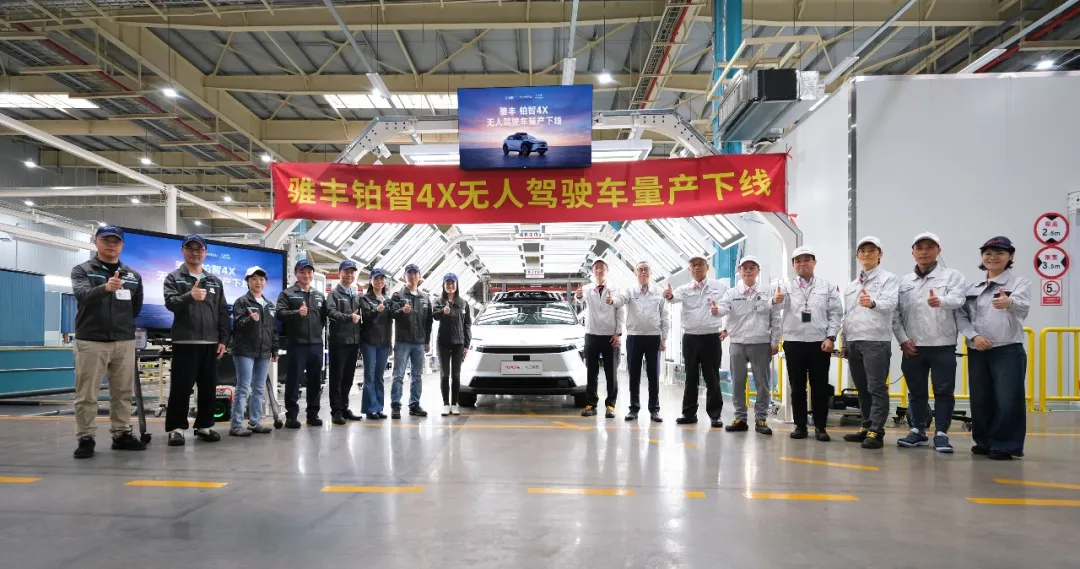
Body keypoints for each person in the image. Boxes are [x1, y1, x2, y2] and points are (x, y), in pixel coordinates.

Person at [69, 225, 146, 459]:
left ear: (122, 245)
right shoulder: (82, 270)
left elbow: (135, 307)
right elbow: (82, 295)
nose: (111, 245)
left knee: (123, 392)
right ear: (96, 242)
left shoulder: (132, 275)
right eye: (106, 240)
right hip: (91, 340)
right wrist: (105, 288)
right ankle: (86, 438)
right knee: (87, 394)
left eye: (116, 241)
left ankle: (121, 433)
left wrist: (123, 328)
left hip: (123, 341)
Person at [956, 236, 1031, 460]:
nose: (993, 257)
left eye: (999, 253)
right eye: (988, 253)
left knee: (1008, 399)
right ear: (982, 257)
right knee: (980, 398)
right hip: (978, 349)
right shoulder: (973, 287)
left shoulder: (1019, 284)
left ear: (1010, 257)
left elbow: (1024, 305)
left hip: (1007, 349)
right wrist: (974, 336)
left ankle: (1006, 444)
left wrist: (1010, 303)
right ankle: (984, 440)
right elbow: (961, 316)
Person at [892, 232, 966, 453]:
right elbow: (895, 316)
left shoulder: (952, 276)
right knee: (916, 392)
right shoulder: (904, 282)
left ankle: (942, 432)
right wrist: (903, 340)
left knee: (944, 390)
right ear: (913, 252)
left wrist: (940, 301)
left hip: (942, 344)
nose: (924, 251)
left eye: (929, 247)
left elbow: (959, 299)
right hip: (913, 346)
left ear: (938, 250)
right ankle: (918, 430)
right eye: (919, 248)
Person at [163, 234, 230, 447]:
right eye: (190, 248)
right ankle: (176, 428)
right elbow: (171, 303)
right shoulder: (174, 278)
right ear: (183, 250)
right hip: (185, 342)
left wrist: (223, 339)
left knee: (209, 387)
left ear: (205, 253)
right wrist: (189, 296)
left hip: (210, 343)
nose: (195, 253)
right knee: (181, 388)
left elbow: (222, 312)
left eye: (199, 249)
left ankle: (204, 426)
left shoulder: (215, 282)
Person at [774, 246, 842, 441]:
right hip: (794, 342)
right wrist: (775, 300)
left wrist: (830, 337)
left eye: (806, 260)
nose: (801, 264)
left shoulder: (826, 286)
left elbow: (836, 313)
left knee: (819, 387)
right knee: (797, 387)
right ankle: (800, 426)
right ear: (793, 265)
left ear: (814, 262)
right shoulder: (785, 287)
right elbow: (774, 307)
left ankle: (821, 427)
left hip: (819, 343)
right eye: (797, 261)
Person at [839, 236, 900, 450]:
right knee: (862, 388)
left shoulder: (888, 279)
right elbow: (847, 316)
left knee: (876, 387)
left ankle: (877, 430)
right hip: (854, 340)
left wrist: (873, 303)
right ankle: (866, 425)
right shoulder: (851, 286)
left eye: (871, 250)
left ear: (880, 254)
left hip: (875, 340)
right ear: (857, 256)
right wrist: (845, 342)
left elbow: (891, 303)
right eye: (862, 251)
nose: (866, 254)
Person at [717, 256, 781, 435]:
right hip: (737, 343)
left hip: (760, 343)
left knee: (762, 383)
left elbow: (775, 318)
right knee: (737, 382)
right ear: (739, 271)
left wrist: (775, 341)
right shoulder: (731, 293)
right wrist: (721, 324)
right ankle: (740, 418)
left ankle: (761, 418)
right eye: (744, 268)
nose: (748, 271)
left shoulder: (768, 291)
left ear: (758, 271)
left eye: (752, 267)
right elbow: (724, 311)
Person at [664, 255, 727, 428]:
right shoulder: (684, 289)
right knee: (690, 377)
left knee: (712, 377)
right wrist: (668, 296)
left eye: (700, 265)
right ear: (689, 269)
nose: (697, 268)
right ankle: (689, 413)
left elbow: (729, 306)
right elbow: (673, 298)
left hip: (711, 338)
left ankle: (715, 415)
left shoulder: (719, 287)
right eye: (693, 265)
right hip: (690, 338)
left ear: (707, 267)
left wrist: (725, 326)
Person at [611, 261, 668, 422]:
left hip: (653, 337)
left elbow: (665, 317)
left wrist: (664, 338)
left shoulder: (659, 292)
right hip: (634, 337)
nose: (643, 272)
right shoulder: (630, 291)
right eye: (640, 270)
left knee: (653, 375)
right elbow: (620, 300)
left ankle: (654, 410)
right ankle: (634, 409)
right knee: (634, 375)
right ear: (636, 273)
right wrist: (611, 300)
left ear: (651, 273)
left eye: (646, 269)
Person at [275, 259, 328, 428]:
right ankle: (292, 416)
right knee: (294, 380)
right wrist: (297, 313)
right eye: (302, 272)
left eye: (309, 272)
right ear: (296, 274)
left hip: (316, 344)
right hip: (297, 344)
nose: (306, 275)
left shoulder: (319, 295)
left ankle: (313, 414)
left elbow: (323, 319)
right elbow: (280, 313)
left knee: (314, 380)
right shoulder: (287, 294)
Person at [228, 266, 279, 437]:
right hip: (244, 351)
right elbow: (237, 325)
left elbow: (273, 331)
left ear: (265, 282)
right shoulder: (241, 302)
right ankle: (236, 425)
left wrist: (275, 350)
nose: (258, 282)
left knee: (258, 388)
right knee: (243, 387)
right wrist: (250, 320)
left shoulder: (270, 305)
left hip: (263, 352)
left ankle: (255, 422)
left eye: (261, 279)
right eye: (254, 279)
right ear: (247, 282)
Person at [575, 259, 624, 418]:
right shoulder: (588, 288)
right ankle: (591, 404)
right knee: (592, 372)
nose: (599, 271)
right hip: (592, 335)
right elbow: (580, 299)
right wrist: (578, 295)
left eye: (602, 268)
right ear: (592, 271)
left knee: (611, 373)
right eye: (596, 268)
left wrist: (618, 333)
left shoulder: (615, 288)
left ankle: (610, 405)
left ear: (607, 271)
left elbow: (620, 311)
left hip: (610, 337)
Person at [391, 263, 433, 419]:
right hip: (402, 342)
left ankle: (414, 404)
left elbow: (429, 321)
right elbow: (391, 314)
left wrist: (427, 341)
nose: (412, 276)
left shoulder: (425, 297)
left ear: (419, 276)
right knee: (398, 375)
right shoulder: (398, 295)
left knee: (417, 375)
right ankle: (395, 405)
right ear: (405, 276)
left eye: (415, 273)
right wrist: (402, 311)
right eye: (409, 273)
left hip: (419, 343)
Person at [326, 260, 365, 425]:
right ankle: (336, 411)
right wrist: (349, 317)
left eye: (352, 272)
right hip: (339, 341)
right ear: (340, 273)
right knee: (337, 377)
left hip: (353, 342)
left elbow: (361, 318)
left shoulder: (355, 295)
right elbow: (330, 311)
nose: (350, 275)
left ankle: (344, 407)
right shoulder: (333, 294)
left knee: (348, 378)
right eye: (346, 271)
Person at [433, 273, 471, 416]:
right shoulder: (438, 301)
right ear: (443, 285)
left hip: (458, 343)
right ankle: (445, 404)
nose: (450, 286)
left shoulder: (463, 303)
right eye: (447, 283)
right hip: (442, 342)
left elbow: (467, 324)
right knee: (444, 375)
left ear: (456, 285)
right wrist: (443, 311)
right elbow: (434, 316)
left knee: (456, 375)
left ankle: (454, 404)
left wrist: (466, 344)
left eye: (452, 283)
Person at [360, 268, 393, 420]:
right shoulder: (365, 299)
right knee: (369, 376)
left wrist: (390, 343)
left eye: (382, 279)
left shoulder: (388, 300)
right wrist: (376, 310)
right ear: (371, 281)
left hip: (384, 343)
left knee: (379, 376)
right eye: (376, 279)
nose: (379, 282)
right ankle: (370, 408)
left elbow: (389, 323)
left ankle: (379, 407)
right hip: (369, 342)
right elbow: (365, 318)